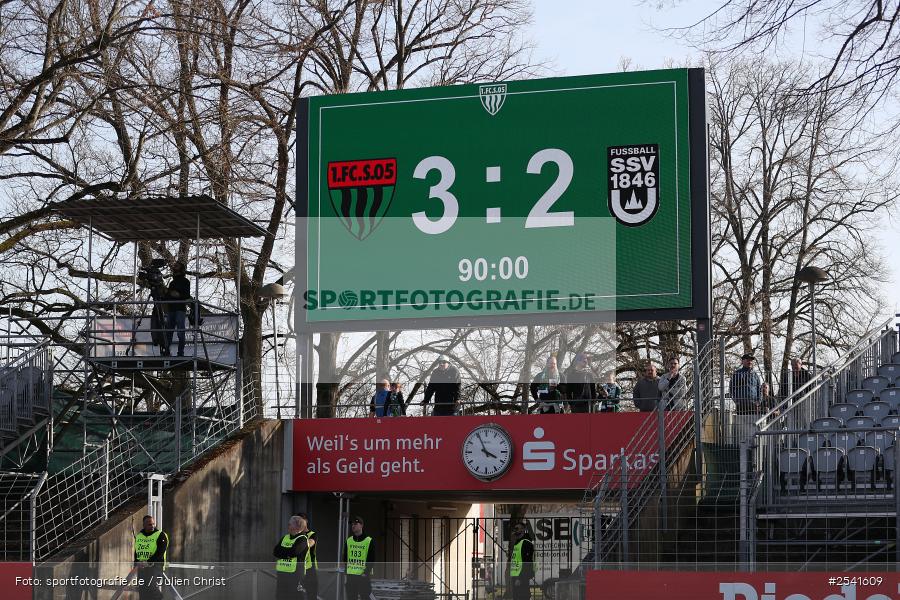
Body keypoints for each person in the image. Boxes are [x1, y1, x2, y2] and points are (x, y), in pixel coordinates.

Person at [274, 515, 310, 600]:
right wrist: (287, 552)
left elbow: (294, 552)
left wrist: (282, 552)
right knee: (280, 597)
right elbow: (275, 552)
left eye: (290, 524)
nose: (288, 526)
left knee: (295, 596)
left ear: (296, 526)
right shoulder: (285, 537)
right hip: (282, 574)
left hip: (295, 575)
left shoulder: (302, 539)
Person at [133, 514, 168, 600]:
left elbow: (160, 552)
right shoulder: (139, 536)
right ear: (144, 525)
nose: (152, 526)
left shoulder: (161, 535)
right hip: (142, 568)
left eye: (153, 524)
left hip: (155, 567)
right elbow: (137, 551)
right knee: (142, 590)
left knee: (152, 587)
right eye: (149, 524)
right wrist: (136, 563)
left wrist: (148, 562)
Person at [164, 261, 192, 357]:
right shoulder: (172, 283)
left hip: (180, 309)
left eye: (177, 265)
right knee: (168, 332)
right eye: (174, 265)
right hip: (171, 309)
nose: (174, 266)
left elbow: (186, 295)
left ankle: (180, 353)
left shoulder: (185, 281)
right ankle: (167, 351)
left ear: (181, 269)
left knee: (180, 332)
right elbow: (167, 296)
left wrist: (177, 295)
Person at [344, 516, 374, 600]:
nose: (353, 526)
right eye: (352, 524)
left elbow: (371, 559)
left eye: (355, 524)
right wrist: (347, 572)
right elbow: (345, 557)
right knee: (351, 597)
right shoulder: (349, 540)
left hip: (362, 576)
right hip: (351, 576)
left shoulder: (368, 540)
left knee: (365, 596)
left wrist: (365, 572)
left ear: (361, 525)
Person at [508, 522, 534, 600]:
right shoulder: (518, 542)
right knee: (517, 596)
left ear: (522, 530)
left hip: (521, 577)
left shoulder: (525, 542)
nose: (515, 531)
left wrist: (520, 578)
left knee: (522, 596)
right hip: (516, 576)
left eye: (517, 529)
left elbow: (526, 562)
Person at [297, 513, 318, 600]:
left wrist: (302, 534)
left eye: (302, 520)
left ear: (306, 521)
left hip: (310, 568)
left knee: (312, 595)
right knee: (298, 594)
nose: (300, 522)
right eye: (298, 521)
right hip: (299, 568)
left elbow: (310, 543)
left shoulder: (312, 534)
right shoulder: (295, 535)